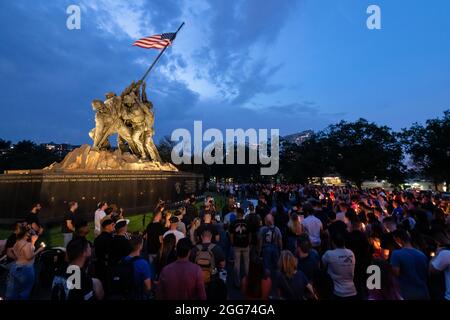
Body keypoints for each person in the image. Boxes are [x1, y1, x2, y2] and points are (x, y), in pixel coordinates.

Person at [5, 225, 45, 300]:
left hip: (15, 266)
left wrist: (18, 257)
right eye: (28, 233)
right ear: (25, 234)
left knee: (14, 290)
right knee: (25, 290)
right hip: (26, 269)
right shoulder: (27, 244)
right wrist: (39, 250)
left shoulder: (17, 242)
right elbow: (29, 257)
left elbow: (11, 250)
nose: (29, 235)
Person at [390, 229, 430, 300]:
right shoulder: (421, 254)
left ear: (398, 239)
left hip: (407, 293)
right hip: (424, 292)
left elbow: (396, 272)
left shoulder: (396, 254)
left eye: (395, 240)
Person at [322, 232, 357, 300]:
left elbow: (322, 266)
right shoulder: (351, 253)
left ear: (333, 243)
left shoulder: (329, 254)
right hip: (352, 290)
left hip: (337, 292)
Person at [122, 233, 153, 299]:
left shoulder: (123, 260)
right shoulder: (143, 263)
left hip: (125, 294)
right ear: (140, 245)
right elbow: (148, 287)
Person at [229, 207, 250, 287]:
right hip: (245, 244)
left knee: (237, 264)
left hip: (237, 245)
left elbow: (231, 234)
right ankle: (247, 281)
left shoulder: (233, 223)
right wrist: (249, 242)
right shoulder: (246, 222)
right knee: (246, 264)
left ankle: (237, 282)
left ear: (238, 213)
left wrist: (232, 243)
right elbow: (249, 233)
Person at [93, 218, 115, 288]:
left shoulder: (97, 238)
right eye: (112, 225)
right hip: (108, 266)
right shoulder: (110, 238)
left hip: (99, 265)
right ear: (107, 226)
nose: (113, 226)